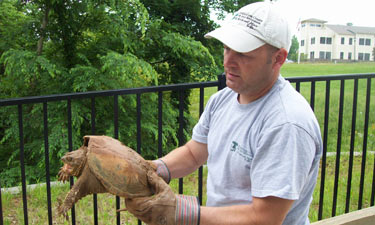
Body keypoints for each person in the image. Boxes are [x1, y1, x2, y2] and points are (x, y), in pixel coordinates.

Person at [125, 2, 323, 225]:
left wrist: (180, 211)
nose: (228, 62)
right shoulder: (223, 99)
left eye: (243, 53)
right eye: (227, 48)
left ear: (278, 58)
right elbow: (194, 153)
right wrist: (153, 170)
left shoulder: (286, 123)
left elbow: (265, 218)